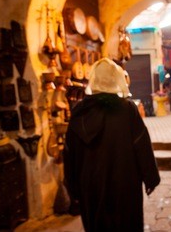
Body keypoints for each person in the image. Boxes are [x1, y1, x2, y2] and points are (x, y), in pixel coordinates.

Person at [64, 58, 160, 231]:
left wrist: (73, 187)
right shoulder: (127, 109)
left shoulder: (79, 112)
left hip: (91, 186)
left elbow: (70, 153)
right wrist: (150, 176)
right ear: (116, 79)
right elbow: (142, 145)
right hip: (124, 183)